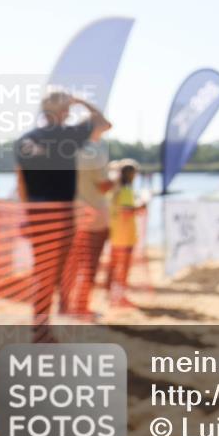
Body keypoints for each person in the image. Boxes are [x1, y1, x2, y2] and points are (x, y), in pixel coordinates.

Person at [15, 92, 111, 340]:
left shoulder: (25, 140)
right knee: (54, 272)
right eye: (67, 109)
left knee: (43, 269)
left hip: (36, 212)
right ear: (63, 111)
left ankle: (41, 324)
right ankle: (41, 328)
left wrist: (26, 213)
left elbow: (21, 182)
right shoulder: (69, 135)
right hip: (60, 213)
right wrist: (81, 101)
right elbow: (104, 123)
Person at [66, 140, 114, 319]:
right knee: (89, 265)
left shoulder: (66, 152)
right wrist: (115, 182)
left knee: (72, 264)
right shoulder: (94, 154)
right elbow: (104, 186)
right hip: (93, 218)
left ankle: (67, 305)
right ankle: (80, 307)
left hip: (73, 216)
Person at [108, 162, 143, 308]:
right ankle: (120, 297)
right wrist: (142, 206)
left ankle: (112, 295)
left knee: (115, 266)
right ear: (132, 175)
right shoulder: (126, 190)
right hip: (125, 234)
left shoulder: (114, 190)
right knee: (123, 268)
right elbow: (127, 212)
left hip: (116, 233)